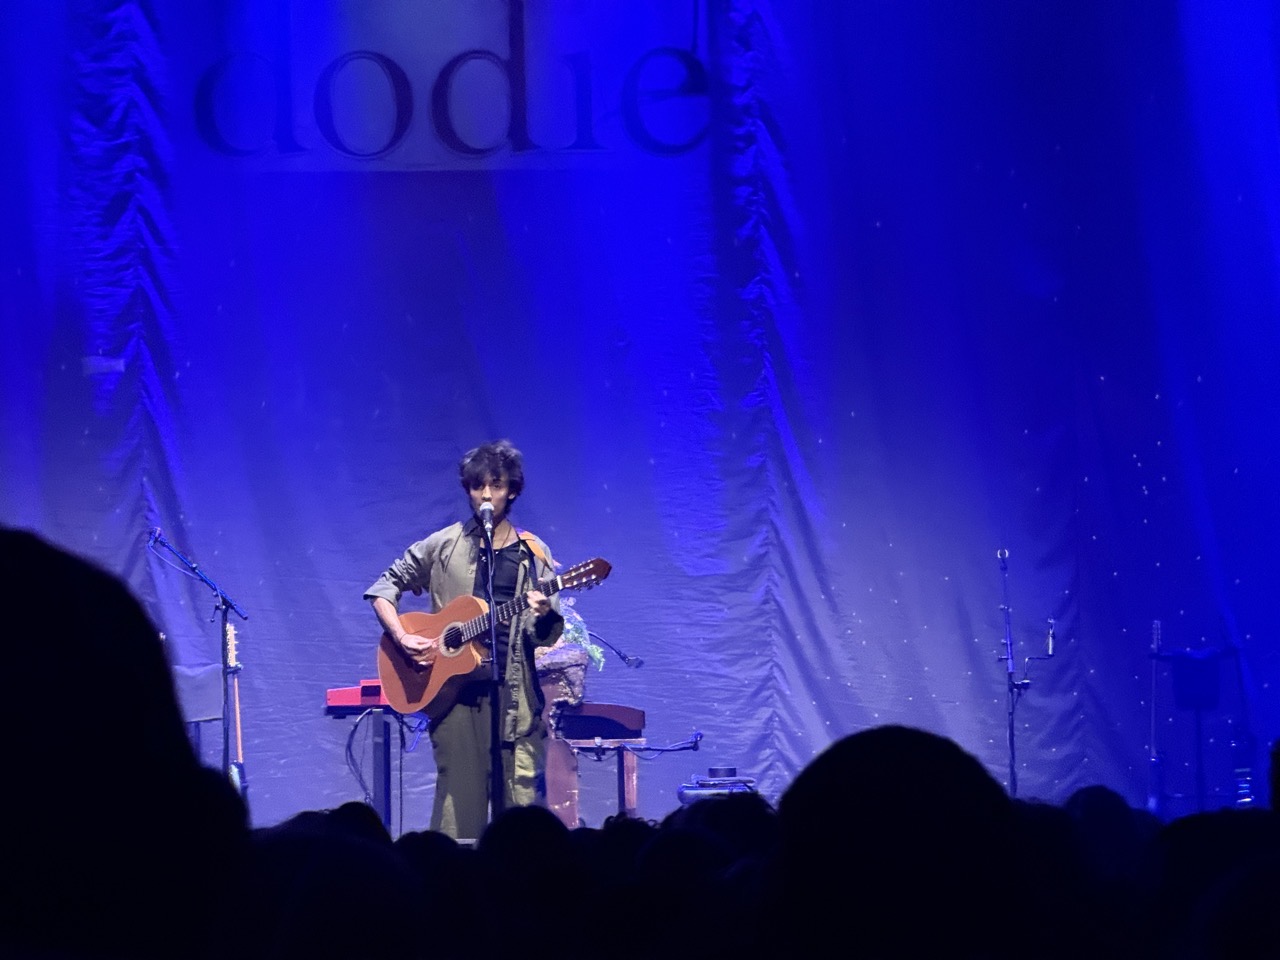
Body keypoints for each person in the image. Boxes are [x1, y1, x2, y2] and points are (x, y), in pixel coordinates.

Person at [364, 439, 564, 841]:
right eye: (477, 486)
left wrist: (544, 613)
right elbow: (384, 587)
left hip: (514, 704)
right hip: (454, 701)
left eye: (495, 484)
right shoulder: (443, 544)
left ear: (511, 489)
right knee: (458, 823)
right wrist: (402, 636)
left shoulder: (533, 553)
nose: (486, 494)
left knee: (522, 827)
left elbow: (546, 633)